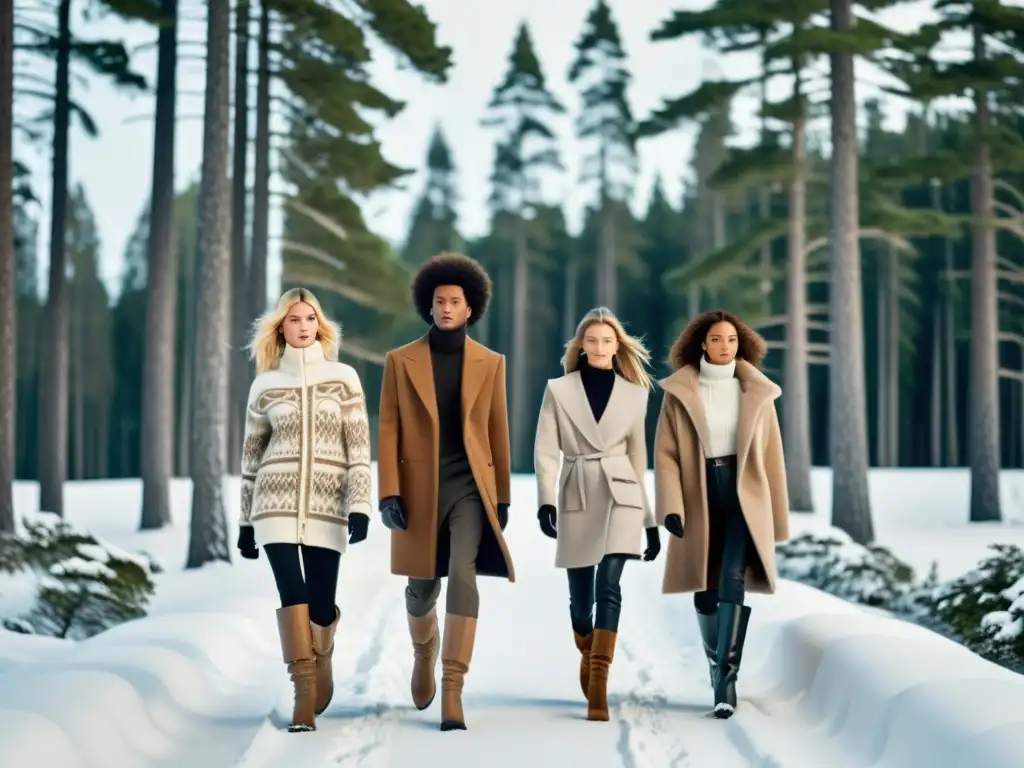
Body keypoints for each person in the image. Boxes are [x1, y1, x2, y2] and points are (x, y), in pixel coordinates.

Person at [376, 252, 514, 732]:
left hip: (469, 486)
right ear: (428, 307)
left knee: (464, 573)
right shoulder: (401, 360)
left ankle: (453, 688)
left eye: (456, 301)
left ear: (470, 308)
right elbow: (389, 427)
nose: (447, 308)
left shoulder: (491, 363)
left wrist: (502, 496)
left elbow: (498, 428)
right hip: (417, 488)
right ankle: (424, 651)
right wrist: (388, 492)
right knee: (420, 589)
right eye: (440, 301)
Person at [236, 287, 372, 733]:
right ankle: (303, 696)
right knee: (291, 595)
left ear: (319, 325)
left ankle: (322, 656)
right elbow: (251, 457)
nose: (302, 326)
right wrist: (244, 522)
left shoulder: (344, 378)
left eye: (309, 318)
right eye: (293, 319)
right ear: (281, 327)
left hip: (327, 506)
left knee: (320, 604)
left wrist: (361, 505)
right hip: (272, 507)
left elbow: (359, 447)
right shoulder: (265, 385)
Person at [653, 309, 790, 719]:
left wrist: (776, 517)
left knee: (732, 576)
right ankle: (716, 664)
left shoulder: (757, 392)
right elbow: (666, 454)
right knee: (706, 586)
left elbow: (772, 456)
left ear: (740, 343)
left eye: (731, 339)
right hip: (699, 493)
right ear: (701, 343)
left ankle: (725, 678)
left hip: (744, 494)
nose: (724, 346)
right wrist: (672, 507)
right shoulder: (679, 392)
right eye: (716, 339)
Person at [534, 307, 661, 722]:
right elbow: (546, 451)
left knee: (610, 585)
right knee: (580, 599)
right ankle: (587, 648)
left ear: (617, 346)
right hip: (578, 489)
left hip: (622, 492)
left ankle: (600, 682)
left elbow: (639, 458)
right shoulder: (558, 389)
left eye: (608, 341)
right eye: (593, 340)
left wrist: (650, 521)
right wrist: (545, 501)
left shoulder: (635, 394)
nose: (601, 347)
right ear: (580, 345)